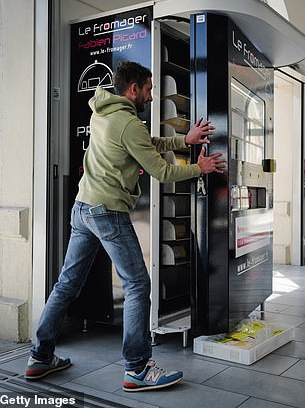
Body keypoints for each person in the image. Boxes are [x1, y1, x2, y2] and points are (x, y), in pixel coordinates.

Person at [25, 61, 226, 391]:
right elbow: (162, 172)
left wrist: (184, 140)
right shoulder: (128, 123)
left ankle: (40, 355)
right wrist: (199, 168)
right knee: (137, 286)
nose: (151, 95)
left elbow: (144, 143)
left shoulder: (104, 112)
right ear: (133, 89)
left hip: (83, 208)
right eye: (148, 89)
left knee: (66, 285)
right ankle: (137, 368)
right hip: (108, 212)